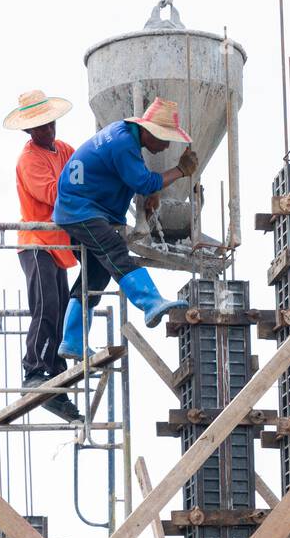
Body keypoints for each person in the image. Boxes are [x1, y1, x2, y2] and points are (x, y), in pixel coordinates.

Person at [53, 97, 198, 361]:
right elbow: (142, 181)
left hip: (81, 207)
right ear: (148, 131)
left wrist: (151, 189)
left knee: (96, 275)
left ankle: (72, 339)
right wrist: (179, 170)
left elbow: (134, 178)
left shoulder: (122, 137)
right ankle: (150, 303)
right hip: (80, 208)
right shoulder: (123, 144)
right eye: (164, 138)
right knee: (115, 251)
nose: (166, 145)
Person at [2, 90, 83, 423]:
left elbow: (83, 171)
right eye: (39, 127)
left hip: (58, 244)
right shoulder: (29, 160)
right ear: (29, 131)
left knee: (62, 309)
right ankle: (35, 370)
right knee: (46, 305)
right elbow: (54, 194)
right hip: (36, 241)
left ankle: (55, 376)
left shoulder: (64, 150)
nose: (47, 130)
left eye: (49, 123)